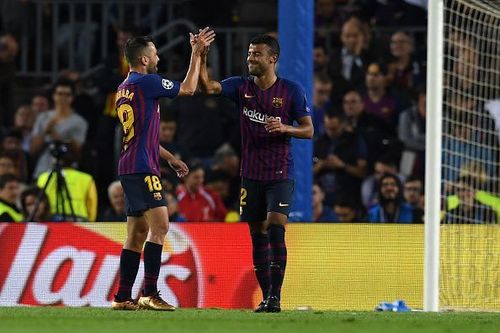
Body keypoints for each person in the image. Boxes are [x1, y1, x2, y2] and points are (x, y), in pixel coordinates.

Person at [199, 34, 314, 312]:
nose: (250, 58)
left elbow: (308, 130)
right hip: (250, 173)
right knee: (256, 232)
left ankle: (276, 296)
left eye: (257, 54)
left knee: (276, 225)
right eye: (249, 53)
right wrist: (200, 55)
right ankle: (266, 297)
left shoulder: (291, 91)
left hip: (280, 171)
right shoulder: (241, 87)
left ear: (272, 58)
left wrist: (286, 128)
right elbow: (208, 87)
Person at [112, 28, 215, 311]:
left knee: (136, 232)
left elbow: (141, 135)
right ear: (144, 60)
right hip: (143, 168)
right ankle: (150, 292)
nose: (158, 56)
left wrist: (169, 157)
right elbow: (189, 88)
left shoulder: (124, 88)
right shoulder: (148, 83)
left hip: (130, 164)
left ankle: (122, 297)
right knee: (160, 226)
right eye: (155, 52)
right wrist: (196, 54)